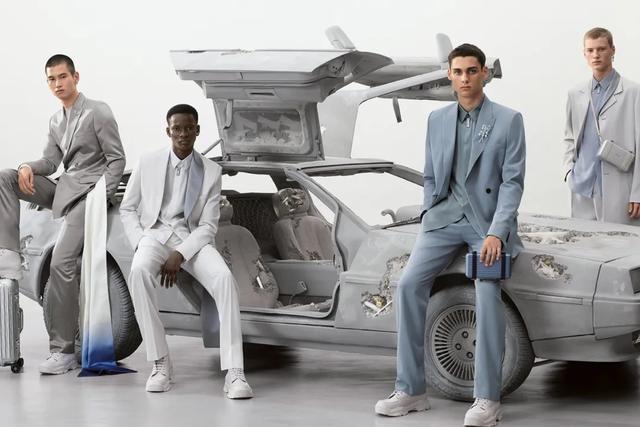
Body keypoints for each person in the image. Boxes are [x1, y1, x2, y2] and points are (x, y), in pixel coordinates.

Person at [374, 44, 526, 426]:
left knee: (487, 294)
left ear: (484, 73)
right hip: (442, 220)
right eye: (458, 72)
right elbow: (430, 175)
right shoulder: (437, 119)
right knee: (408, 286)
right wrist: (428, 213)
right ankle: (411, 390)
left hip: (486, 226)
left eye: (472, 71)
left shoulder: (509, 120)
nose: (464, 78)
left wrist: (497, 233)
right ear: (449, 74)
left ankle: (487, 399)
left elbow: (512, 184)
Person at [0, 54, 125, 375]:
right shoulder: (56, 120)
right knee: (6, 177)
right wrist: (27, 167)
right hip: (65, 187)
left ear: (75, 77)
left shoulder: (98, 111)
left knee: (60, 262)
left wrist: (101, 196)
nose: (57, 84)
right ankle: (8, 253)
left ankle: (63, 350)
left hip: (89, 194)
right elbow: (50, 163)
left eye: (62, 77)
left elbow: (117, 159)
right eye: (51, 79)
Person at [119, 104, 253, 398]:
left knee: (224, 280)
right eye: (177, 129)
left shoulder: (211, 171)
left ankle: (234, 372)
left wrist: (179, 254)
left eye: (188, 128)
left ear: (197, 130)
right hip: (154, 235)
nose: (183, 134)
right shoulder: (148, 162)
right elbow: (127, 208)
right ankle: (160, 363)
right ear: (168, 131)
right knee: (138, 271)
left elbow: (208, 226)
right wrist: (140, 242)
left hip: (192, 240)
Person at [563, 27, 640, 224]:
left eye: (601, 49)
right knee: (583, 240)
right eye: (590, 50)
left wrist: (637, 193)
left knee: (620, 240)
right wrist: (569, 171)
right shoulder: (575, 93)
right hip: (582, 184)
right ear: (584, 53)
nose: (595, 55)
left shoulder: (633, 92)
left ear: (613, 50)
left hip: (619, 184)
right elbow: (569, 136)